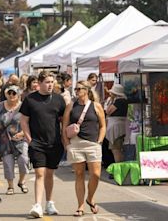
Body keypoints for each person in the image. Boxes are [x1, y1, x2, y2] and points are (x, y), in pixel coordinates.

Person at [20, 71, 66, 218]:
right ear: (39, 83)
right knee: (40, 173)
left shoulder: (59, 100)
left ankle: (50, 203)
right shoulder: (30, 99)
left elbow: (63, 122)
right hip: (37, 143)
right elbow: (24, 121)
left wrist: (65, 140)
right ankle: (37, 205)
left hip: (54, 143)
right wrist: (29, 140)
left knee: (50, 174)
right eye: (47, 82)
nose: (50, 85)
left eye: (52, 82)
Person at [62, 80, 106, 217]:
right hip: (76, 143)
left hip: (93, 143)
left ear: (87, 90)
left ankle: (90, 198)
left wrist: (99, 141)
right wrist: (67, 144)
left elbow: (103, 125)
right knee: (79, 174)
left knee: (96, 174)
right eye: (76, 89)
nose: (77, 91)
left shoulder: (96, 106)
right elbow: (64, 126)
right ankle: (80, 205)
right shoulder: (71, 106)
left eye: (80, 89)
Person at [0, 85, 29, 195]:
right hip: (4, 140)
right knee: (8, 163)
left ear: (18, 95)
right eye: (9, 93)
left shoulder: (24, 107)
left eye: (14, 93)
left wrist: (22, 133)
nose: (11, 95)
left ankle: (21, 181)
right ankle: (10, 186)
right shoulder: (0, 107)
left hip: (21, 138)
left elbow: (29, 122)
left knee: (24, 160)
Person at [105, 84, 128, 163]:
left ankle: (118, 168)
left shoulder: (119, 101)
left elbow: (108, 111)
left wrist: (111, 101)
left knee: (116, 150)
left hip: (116, 128)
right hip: (119, 127)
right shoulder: (124, 100)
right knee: (117, 149)